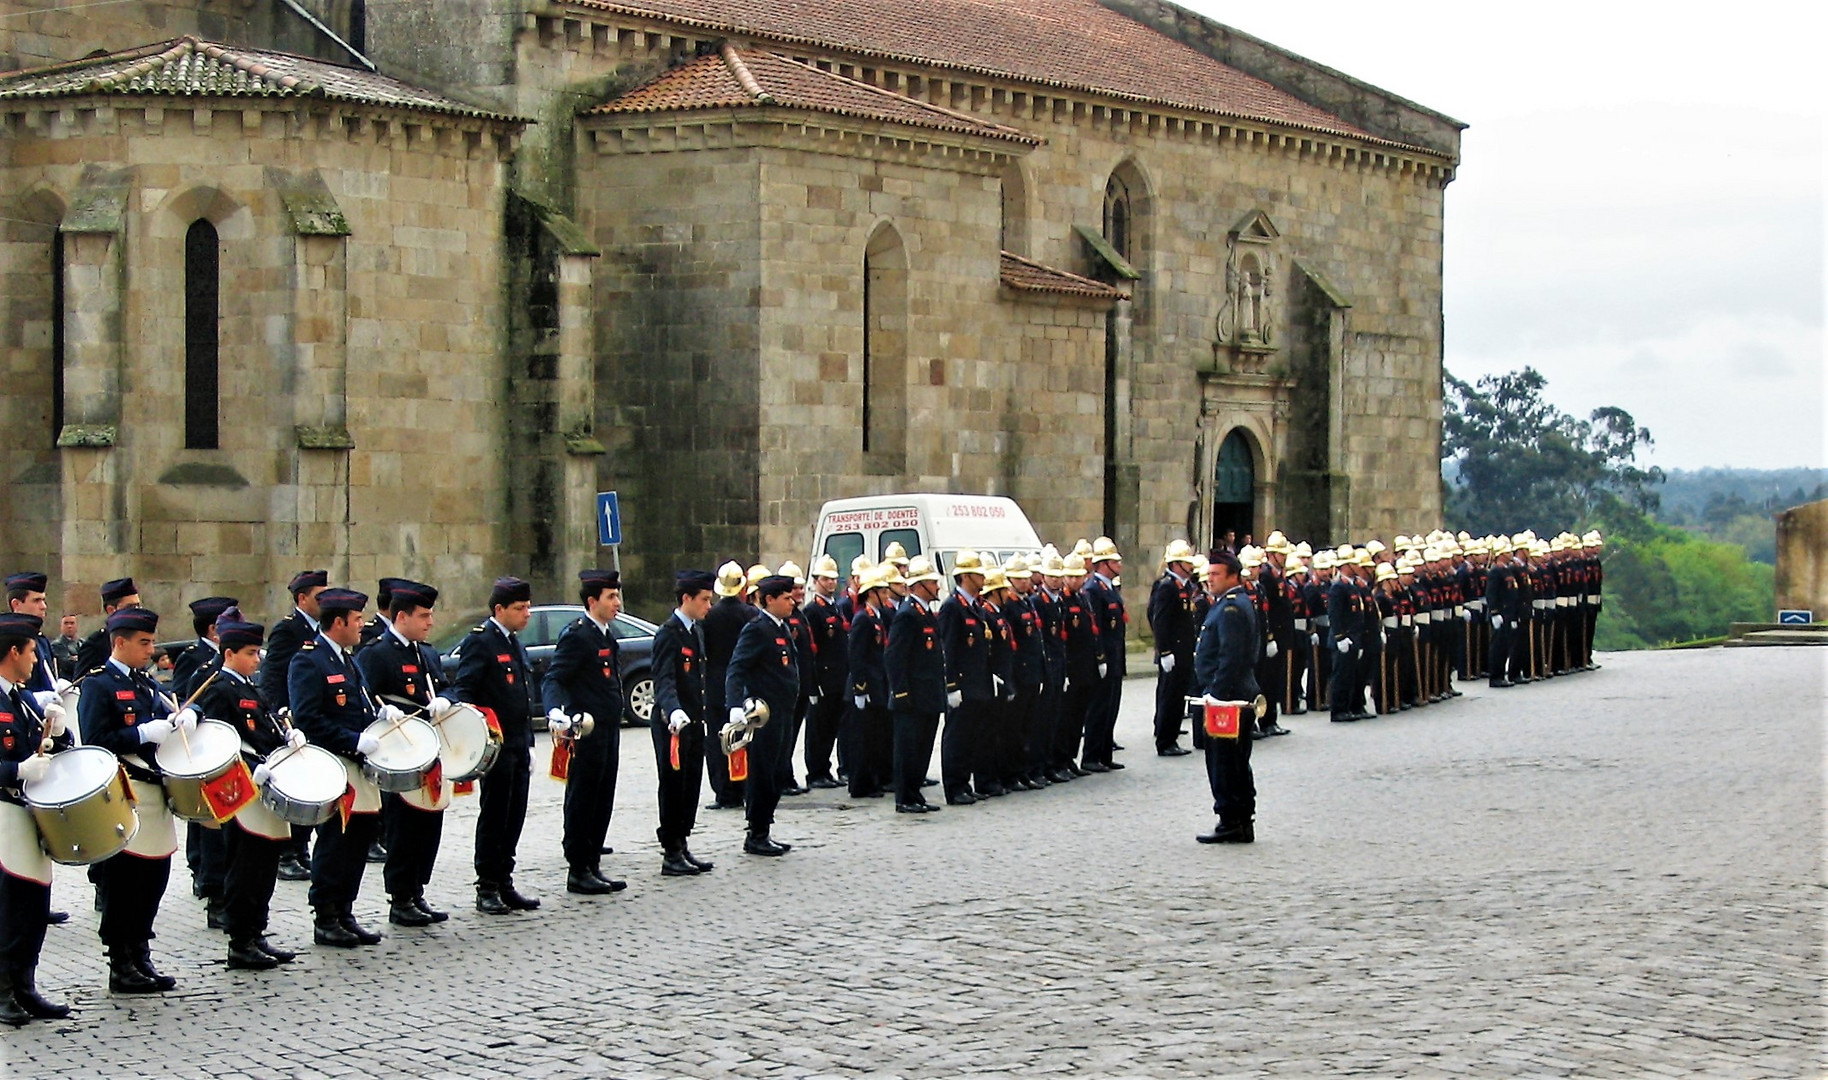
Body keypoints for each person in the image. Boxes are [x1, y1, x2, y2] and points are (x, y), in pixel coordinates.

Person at [77, 606, 184, 992]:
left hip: (156, 792)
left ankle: (141, 953)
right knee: (126, 882)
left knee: (154, 878)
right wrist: (140, 734)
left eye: (153, 642)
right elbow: (95, 741)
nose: (151, 650)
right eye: (144, 642)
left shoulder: (145, 682)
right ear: (119, 642)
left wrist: (185, 716)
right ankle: (120, 961)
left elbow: (172, 706)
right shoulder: (99, 684)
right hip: (125, 792)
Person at [192, 609, 301, 970]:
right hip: (243, 788)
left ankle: (256, 932)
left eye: (258, 653)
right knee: (245, 866)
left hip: (267, 784)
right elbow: (217, 742)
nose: (257, 659)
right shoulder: (219, 688)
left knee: (265, 864)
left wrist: (288, 736)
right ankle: (240, 940)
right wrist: (253, 768)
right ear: (229, 654)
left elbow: (265, 728)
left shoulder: (250, 687)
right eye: (251, 654)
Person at [355, 578, 458, 925]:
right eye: (424, 616)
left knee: (430, 823)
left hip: (429, 751)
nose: (430, 623)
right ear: (402, 617)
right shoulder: (377, 654)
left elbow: (447, 688)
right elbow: (364, 699)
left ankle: (417, 890)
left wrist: (446, 698)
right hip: (399, 755)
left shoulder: (426, 653)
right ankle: (400, 896)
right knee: (403, 826)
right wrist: (382, 715)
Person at [290, 587, 389, 947]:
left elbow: (358, 706)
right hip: (334, 766)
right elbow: (308, 719)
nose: (361, 625)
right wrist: (352, 740)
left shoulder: (348, 658)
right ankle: (326, 916)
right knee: (335, 844)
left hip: (358, 767)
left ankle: (345, 910)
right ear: (337, 622)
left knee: (358, 843)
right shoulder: (309, 660)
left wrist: (379, 716)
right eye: (356, 620)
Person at [0, 611, 76, 1023]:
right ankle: (3, 990)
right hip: (4, 813)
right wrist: (15, 771)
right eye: (31, 652)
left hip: (32, 813)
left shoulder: (20, 697)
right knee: (9, 906)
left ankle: (25, 985)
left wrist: (60, 732)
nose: (36, 661)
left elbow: (58, 751)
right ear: (13, 652)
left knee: (33, 905)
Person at [456, 577, 540, 914]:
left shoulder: (515, 642)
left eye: (528, 607)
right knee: (495, 816)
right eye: (520, 608)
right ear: (499, 609)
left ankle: (505, 880)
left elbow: (523, 696)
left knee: (514, 815)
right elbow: (466, 692)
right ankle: (487, 885)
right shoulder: (482, 642)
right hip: (496, 746)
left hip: (518, 743)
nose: (527, 614)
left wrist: (530, 743)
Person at [541, 570, 627, 895]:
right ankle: (578, 868)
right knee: (584, 798)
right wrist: (556, 711)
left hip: (608, 729)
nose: (617, 602)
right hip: (586, 731)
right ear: (593, 601)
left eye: (617, 596)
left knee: (603, 797)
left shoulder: (606, 635)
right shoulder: (578, 635)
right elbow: (555, 678)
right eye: (610, 597)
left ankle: (592, 862)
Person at [724, 575, 802, 854]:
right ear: (769, 599)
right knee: (763, 773)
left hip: (784, 712)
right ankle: (756, 832)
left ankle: (765, 827)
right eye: (786, 597)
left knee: (779, 772)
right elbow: (737, 668)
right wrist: (735, 705)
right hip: (765, 715)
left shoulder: (780, 627)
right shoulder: (757, 629)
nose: (792, 602)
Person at [259, 569, 328, 882]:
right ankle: (289, 853)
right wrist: (279, 714)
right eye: (319, 596)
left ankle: (301, 851)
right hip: (294, 719)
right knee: (297, 786)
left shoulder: (322, 628)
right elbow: (273, 675)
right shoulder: (288, 630)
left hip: (316, 716)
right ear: (302, 599)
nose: (325, 602)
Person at [172, 594, 236, 926]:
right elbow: (186, 702)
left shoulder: (240, 670)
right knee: (212, 831)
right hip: (210, 761)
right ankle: (211, 888)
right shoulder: (200, 666)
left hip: (237, 762)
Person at [648, 570, 716, 877]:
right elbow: (664, 679)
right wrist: (673, 710)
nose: (708, 606)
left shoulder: (695, 631)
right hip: (672, 721)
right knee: (674, 785)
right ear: (686, 598)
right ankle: (671, 850)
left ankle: (683, 841)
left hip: (694, 719)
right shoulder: (669, 633)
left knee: (691, 784)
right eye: (703, 599)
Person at [1193, 551, 1260, 845]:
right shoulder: (1229, 603)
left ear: (1233, 576)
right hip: (1233, 695)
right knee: (1234, 760)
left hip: (1228, 699)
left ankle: (1231, 820)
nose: (1210, 579)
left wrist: (1216, 694)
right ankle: (1241, 820)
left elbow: (1230, 657)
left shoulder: (1231, 608)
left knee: (1225, 761)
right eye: (1209, 574)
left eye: (1216, 574)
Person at [885, 557, 947, 813]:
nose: (938, 587)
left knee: (922, 747)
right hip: (912, 695)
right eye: (933, 582)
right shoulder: (908, 615)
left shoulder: (925, 613)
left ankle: (915, 792)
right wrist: (901, 691)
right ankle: (904, 797)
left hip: (928, 693)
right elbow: (895, 657)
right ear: (921, 585)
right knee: (908, 748)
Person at [936, 551, 991, 804]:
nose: (983, 578)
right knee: (956, 737)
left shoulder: (974, 605)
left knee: (971, 736)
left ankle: (964, 783)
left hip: (977, 684)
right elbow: (948, 649)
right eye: (978, 574)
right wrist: (951, 685)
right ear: (966, 576)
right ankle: (954, 786)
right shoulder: (952, 607)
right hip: (962, 684)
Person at [701, 561, 754, 811]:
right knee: (743, 739)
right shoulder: (750, 614)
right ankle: (741, 785)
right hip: (743, 684)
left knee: (716, 741)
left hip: (715, 684)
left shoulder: (709, 616)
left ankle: (723, 791)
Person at [844, 564, 894, 801]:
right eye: (882, 592)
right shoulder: (863, 618)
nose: (886, 596)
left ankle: (872, 779)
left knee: (874, 738)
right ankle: (860, 783)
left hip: (878, 683)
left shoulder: (877, 617)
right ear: (871, 593)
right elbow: (857, 656)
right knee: (862, 739)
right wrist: (860, 688)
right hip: (865, 687)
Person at [1148, 541, 1201, 756]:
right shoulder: (1167, 586)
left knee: (1178, 695)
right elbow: (1159, 620)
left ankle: (1171, 737)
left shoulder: (1182, 586)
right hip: (1173, 652)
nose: (1191, 567)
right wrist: (1165, 651)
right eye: (1187, 563)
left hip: (1184, 651)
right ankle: (1165, 741)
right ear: (1177, 564)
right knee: (1169, 696)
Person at [801, 555, 848, 789]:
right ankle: (815, 772)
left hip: (837, 676)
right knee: (818, 728)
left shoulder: (835, 606)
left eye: (833, 580)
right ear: (816, 581)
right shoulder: (813, 610)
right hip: (823, 676)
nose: (831, 584)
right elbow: (812, 648)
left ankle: (825, 769)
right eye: (826, 580)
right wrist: (813, 681)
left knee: (831, 726)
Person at [1080, 537, 1127, 768]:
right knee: (1098, 709)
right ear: (1103, 564)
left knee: (1111, 708)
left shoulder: (1108, 588)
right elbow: (1095, 628)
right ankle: (1091, 756)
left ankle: (1105, 754)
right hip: (1103, 658)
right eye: (1114, 562)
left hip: (1115, 656)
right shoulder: (1092, 590)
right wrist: (1099, 658)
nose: (1119, 566)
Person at [74, 577, 140, 676]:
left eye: (138, 606)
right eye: (130, 607)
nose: (137, 612)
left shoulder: (137, 638)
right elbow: (83, 682)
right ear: (111, 610)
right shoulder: (97, 643)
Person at [50, 615, 80, 682]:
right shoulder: (57, 645)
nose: (69, 626)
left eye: (72, 623)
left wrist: (77, 658)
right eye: (66, 623)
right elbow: (67, 664)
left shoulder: (82, 643)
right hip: (67, 683)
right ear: (61, 626)